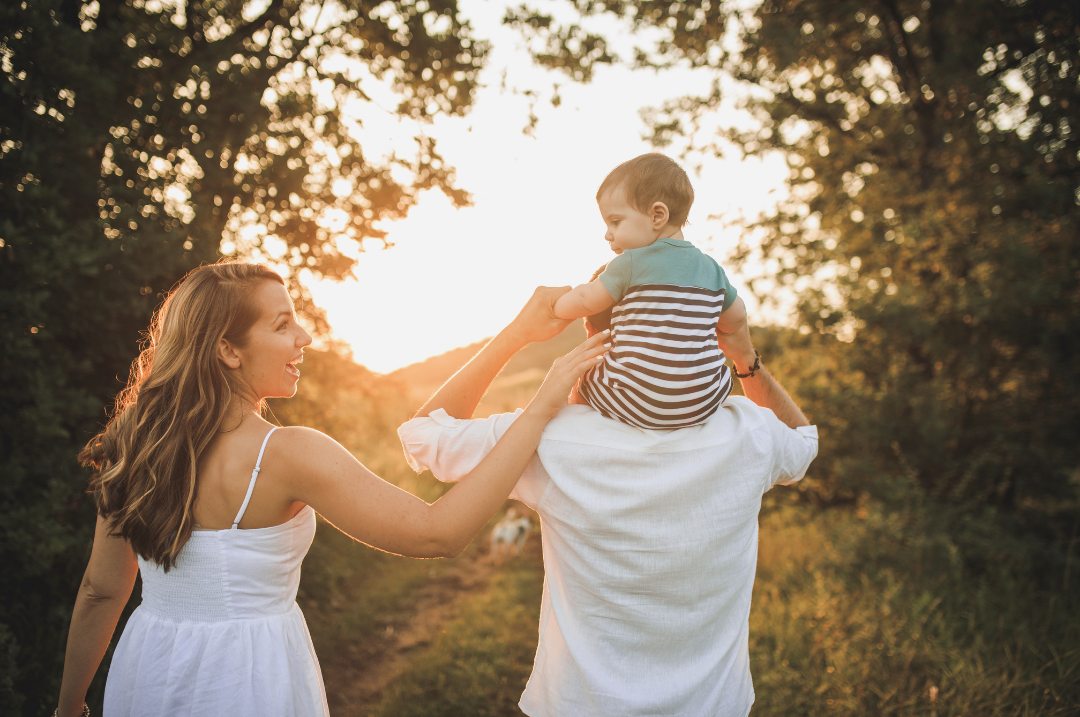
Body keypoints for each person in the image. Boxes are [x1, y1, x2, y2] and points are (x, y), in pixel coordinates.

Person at [55, 261, 608, 717]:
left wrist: (69, 706)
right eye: (281, 325)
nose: (305, 336)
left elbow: (101, 592)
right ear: (229, 350)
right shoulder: (289, 453)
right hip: (248, 680)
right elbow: (439, 533)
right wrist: (539, 408)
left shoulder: (132, 446)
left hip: (147, 670)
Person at [399, 285, 818, 716]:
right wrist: (744, 356)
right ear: (698, 332)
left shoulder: (550, 437)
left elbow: (422, 436)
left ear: (593, 335)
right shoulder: (750, 432)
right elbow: (805, 443)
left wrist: (516, 333)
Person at [553, 153, 753, 429]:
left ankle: (579, 423)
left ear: (657, 215)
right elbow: (737, 317)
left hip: (637, 401)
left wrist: (555, 306)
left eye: (615, 222)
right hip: (702, 404)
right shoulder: (712, 269)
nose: (607, 234)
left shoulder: (630, 263)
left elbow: (587, 300)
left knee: (585, 377)